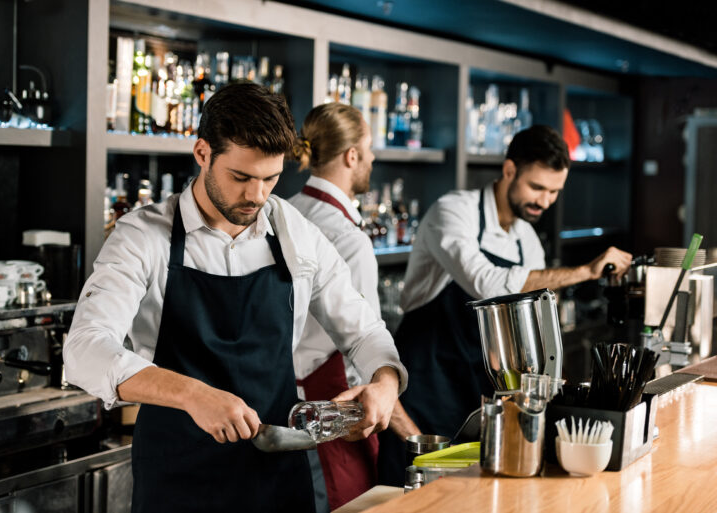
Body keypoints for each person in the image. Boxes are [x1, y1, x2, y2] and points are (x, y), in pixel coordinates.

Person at [63, 83, 407, 513]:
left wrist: (384, 384)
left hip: (279, 478)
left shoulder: (294, 232)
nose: (257, 196)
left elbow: (364, 331)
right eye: (241, 177)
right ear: (203, 153)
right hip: (178, 479)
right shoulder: (143, 236)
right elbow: (84, 349)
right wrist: (192, 394)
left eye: (271, 179)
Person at [377, 124, 632, 485]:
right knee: (410, 494)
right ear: (509, 170)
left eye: (554, 192)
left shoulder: (527, 239)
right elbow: (487, 285)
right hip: (425, 382)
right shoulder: (452, 212)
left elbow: (536, 322)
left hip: (480, 392)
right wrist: (586, 271)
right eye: (537, 187)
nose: (544, 201)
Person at [287, 103, 419, 510]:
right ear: (351, 156)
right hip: (336, 414)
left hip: (285, 408)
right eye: (369, 147)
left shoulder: (286, 212)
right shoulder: (348, 238)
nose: (374, 157)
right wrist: (416, 439)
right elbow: (363, 352)